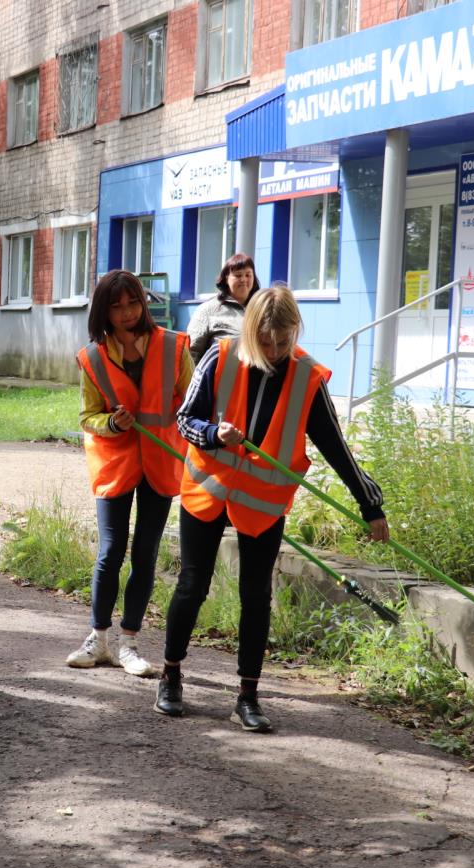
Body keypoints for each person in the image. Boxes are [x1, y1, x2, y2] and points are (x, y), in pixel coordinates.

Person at [160, 285, 389, 730]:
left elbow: (337, 449)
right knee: (192, 585)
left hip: (263, 502)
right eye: (266, 341)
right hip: (207, 491)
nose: (275, 350)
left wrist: (370, 504)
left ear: (294, 332)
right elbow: (185, 419)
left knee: (256, 597)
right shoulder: (220, 356)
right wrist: (212, 433)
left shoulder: (307, 377)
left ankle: (248, 694)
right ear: (251, 331)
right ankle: (170, 675)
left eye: (283, 341)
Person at [68, 270, 194, 678]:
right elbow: (88, 416)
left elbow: (192, 404)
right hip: (115, 463)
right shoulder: (92, 357)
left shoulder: (174, 348)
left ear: (144, 303)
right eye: (116, 305)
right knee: (110, 551)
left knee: (145, 553)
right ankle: (97, 639)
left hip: (160, 462)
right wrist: (113, 424)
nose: (126, 312)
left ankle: (130, 644)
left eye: (133, 303)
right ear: (103, 310)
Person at [185, 254, 260, 364]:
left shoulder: (262, 309)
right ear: (226, 278)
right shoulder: (207, 311)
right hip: (221, 379)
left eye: (248, 275)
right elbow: (191, 354)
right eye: (238, 275)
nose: (244, 279)